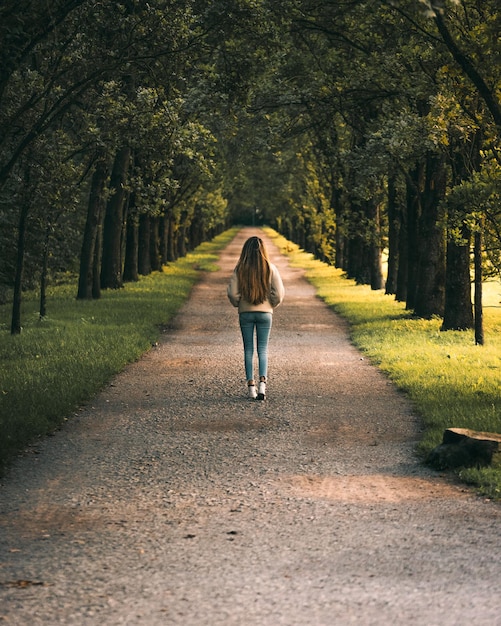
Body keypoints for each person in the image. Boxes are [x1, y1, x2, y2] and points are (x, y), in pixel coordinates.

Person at [227, 235, 285, 400]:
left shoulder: (240, 269)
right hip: (265, 314)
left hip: (245, 313)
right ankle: (262, 386)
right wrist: (270, 305)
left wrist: (239, 303)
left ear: (245, 251)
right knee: (263, 349)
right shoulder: (271, 268)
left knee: (248, 350)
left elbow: (232, 293)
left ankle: (250, 387)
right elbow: (279, 294)